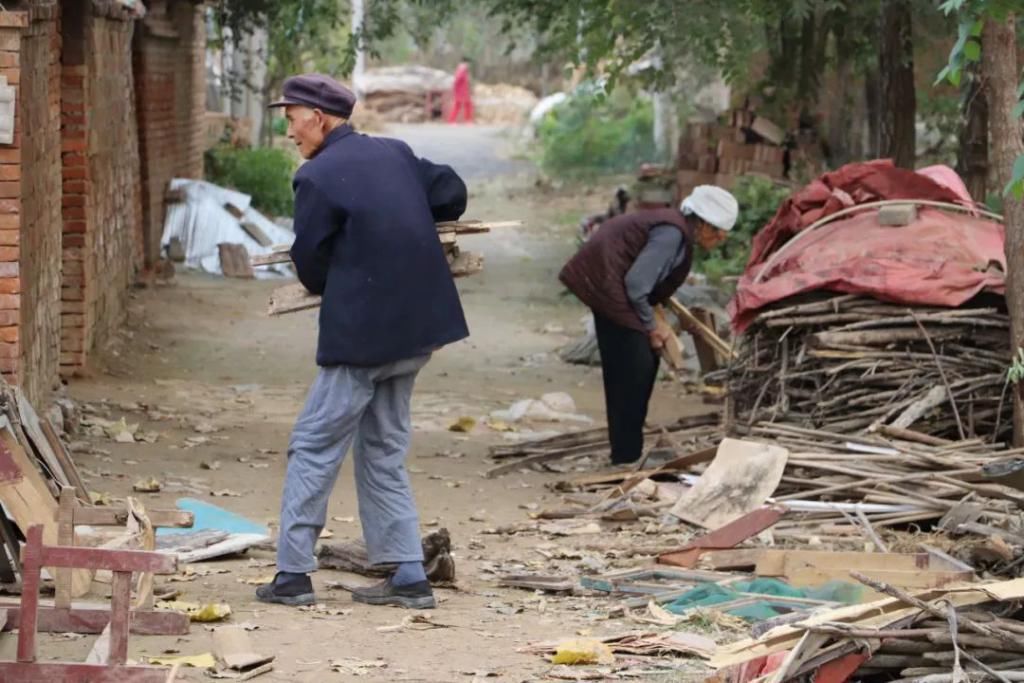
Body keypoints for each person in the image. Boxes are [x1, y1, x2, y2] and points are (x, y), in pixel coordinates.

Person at [257, 73, 469, 610]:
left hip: (363, 339)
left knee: (313, 446)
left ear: (320, 119)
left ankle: (292, 576)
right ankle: (409, 577)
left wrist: (351, 276)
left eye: (291, 119)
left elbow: (310, 265)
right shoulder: (394, 153)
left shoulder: (317, 176)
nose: (288, 131)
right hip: (419, 331)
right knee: (383, 449)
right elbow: (452, 192)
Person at [558, 185, 738, 465]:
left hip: (614, 283)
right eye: (718, 230)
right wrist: (652, 327)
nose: (721, 237)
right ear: (701, 223)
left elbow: (653, 285)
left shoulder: (678, 235)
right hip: (609, 283)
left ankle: (626, 451)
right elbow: (636, 285)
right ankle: (626, 454)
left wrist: (675, 323)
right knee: (634, 366)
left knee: (637, 365)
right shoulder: (671, 234)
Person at [448, 59, 474, 124]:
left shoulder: (462, 71)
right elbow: (456, 81)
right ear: (465, 63)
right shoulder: (461, 71)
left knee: (460, 106)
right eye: (468, 64)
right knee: (466, 105)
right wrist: (455, 90)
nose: (468, 66)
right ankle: (467, 120)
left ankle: (452, 120)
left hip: (463, 92)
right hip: (461, 92)